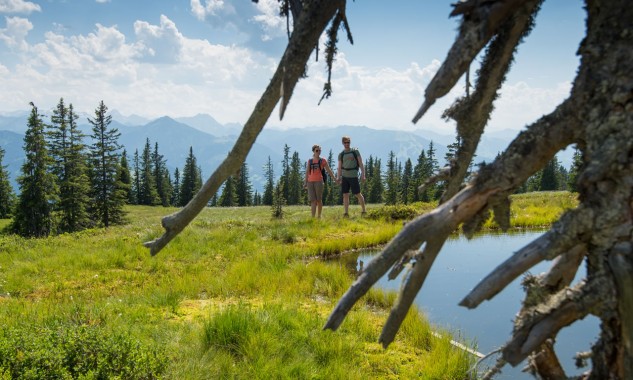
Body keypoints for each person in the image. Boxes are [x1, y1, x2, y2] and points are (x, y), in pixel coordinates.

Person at [304, 144, 337, 218]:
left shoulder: (323, 160)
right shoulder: (310, 161)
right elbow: (307, 172)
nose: (318, 152)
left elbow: (329, 170)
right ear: (313, 151)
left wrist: (335, 179)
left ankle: (319, 216)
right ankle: (313, 218)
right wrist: (305, 182)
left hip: (319, 181)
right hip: (310, 182)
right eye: (317, 150)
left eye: (319, 150)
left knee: (318, 200)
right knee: (313, 201)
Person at [337, 136, 366, 217]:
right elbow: (339, 167)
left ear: (350, 142)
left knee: (357, 193)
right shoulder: (341, 154)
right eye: (345, 142)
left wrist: (363, 174)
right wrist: (338, 177)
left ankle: (364, 211)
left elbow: (361, 163)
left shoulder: (355, 151)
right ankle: (346, 213)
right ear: (342, 143)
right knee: (345, 195)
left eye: (348, 142)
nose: (347, 144)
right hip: (344, 176)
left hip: (353, 176)